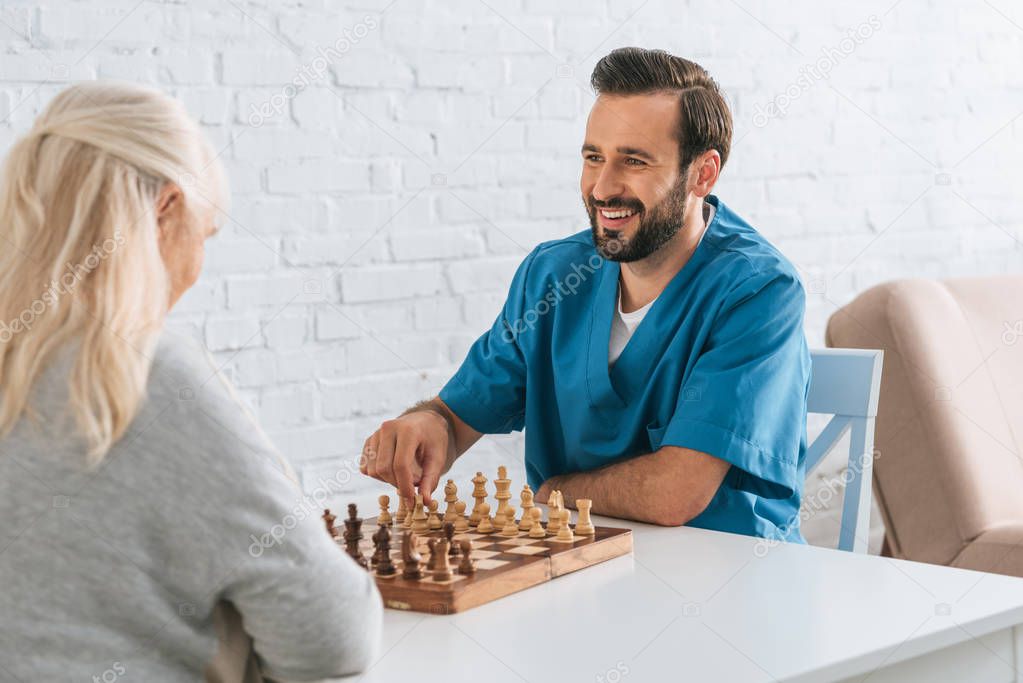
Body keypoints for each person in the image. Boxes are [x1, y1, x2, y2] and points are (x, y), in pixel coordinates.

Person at [0, 82, 381, 681]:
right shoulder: (146, 376)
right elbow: (333, 635)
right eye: (202, 237)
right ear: (164, 210)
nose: (197, 272)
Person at [361, 48, 812, 543]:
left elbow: (674, 494)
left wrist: (554, 490)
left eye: (634, 161)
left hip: (730, 584)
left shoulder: (759, 291)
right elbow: (457, 416)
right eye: (594, 157)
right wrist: (429, 425)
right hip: (583, 571)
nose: (602, 187)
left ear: (702, 174)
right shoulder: (552, 276)